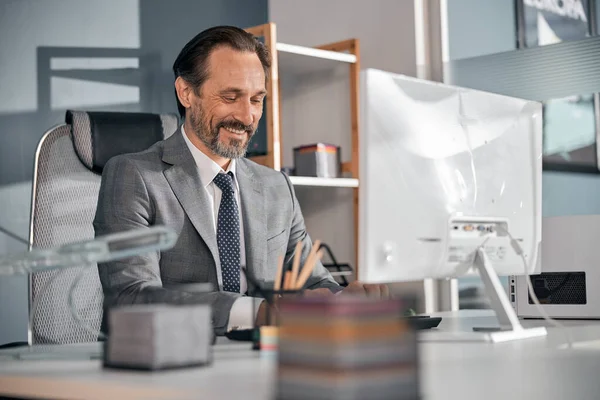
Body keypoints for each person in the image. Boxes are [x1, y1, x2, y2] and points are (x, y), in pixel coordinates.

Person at [94, 25, 389, 336]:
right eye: (230, 96)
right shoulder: (134, 176)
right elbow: (132, 297)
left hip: (263, 363)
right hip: (169, 363)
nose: (247, 117)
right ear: (186, 93)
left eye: (256, 100)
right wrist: (260, 312)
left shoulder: (277, 187)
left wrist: (341, 300)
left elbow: (311, 282)